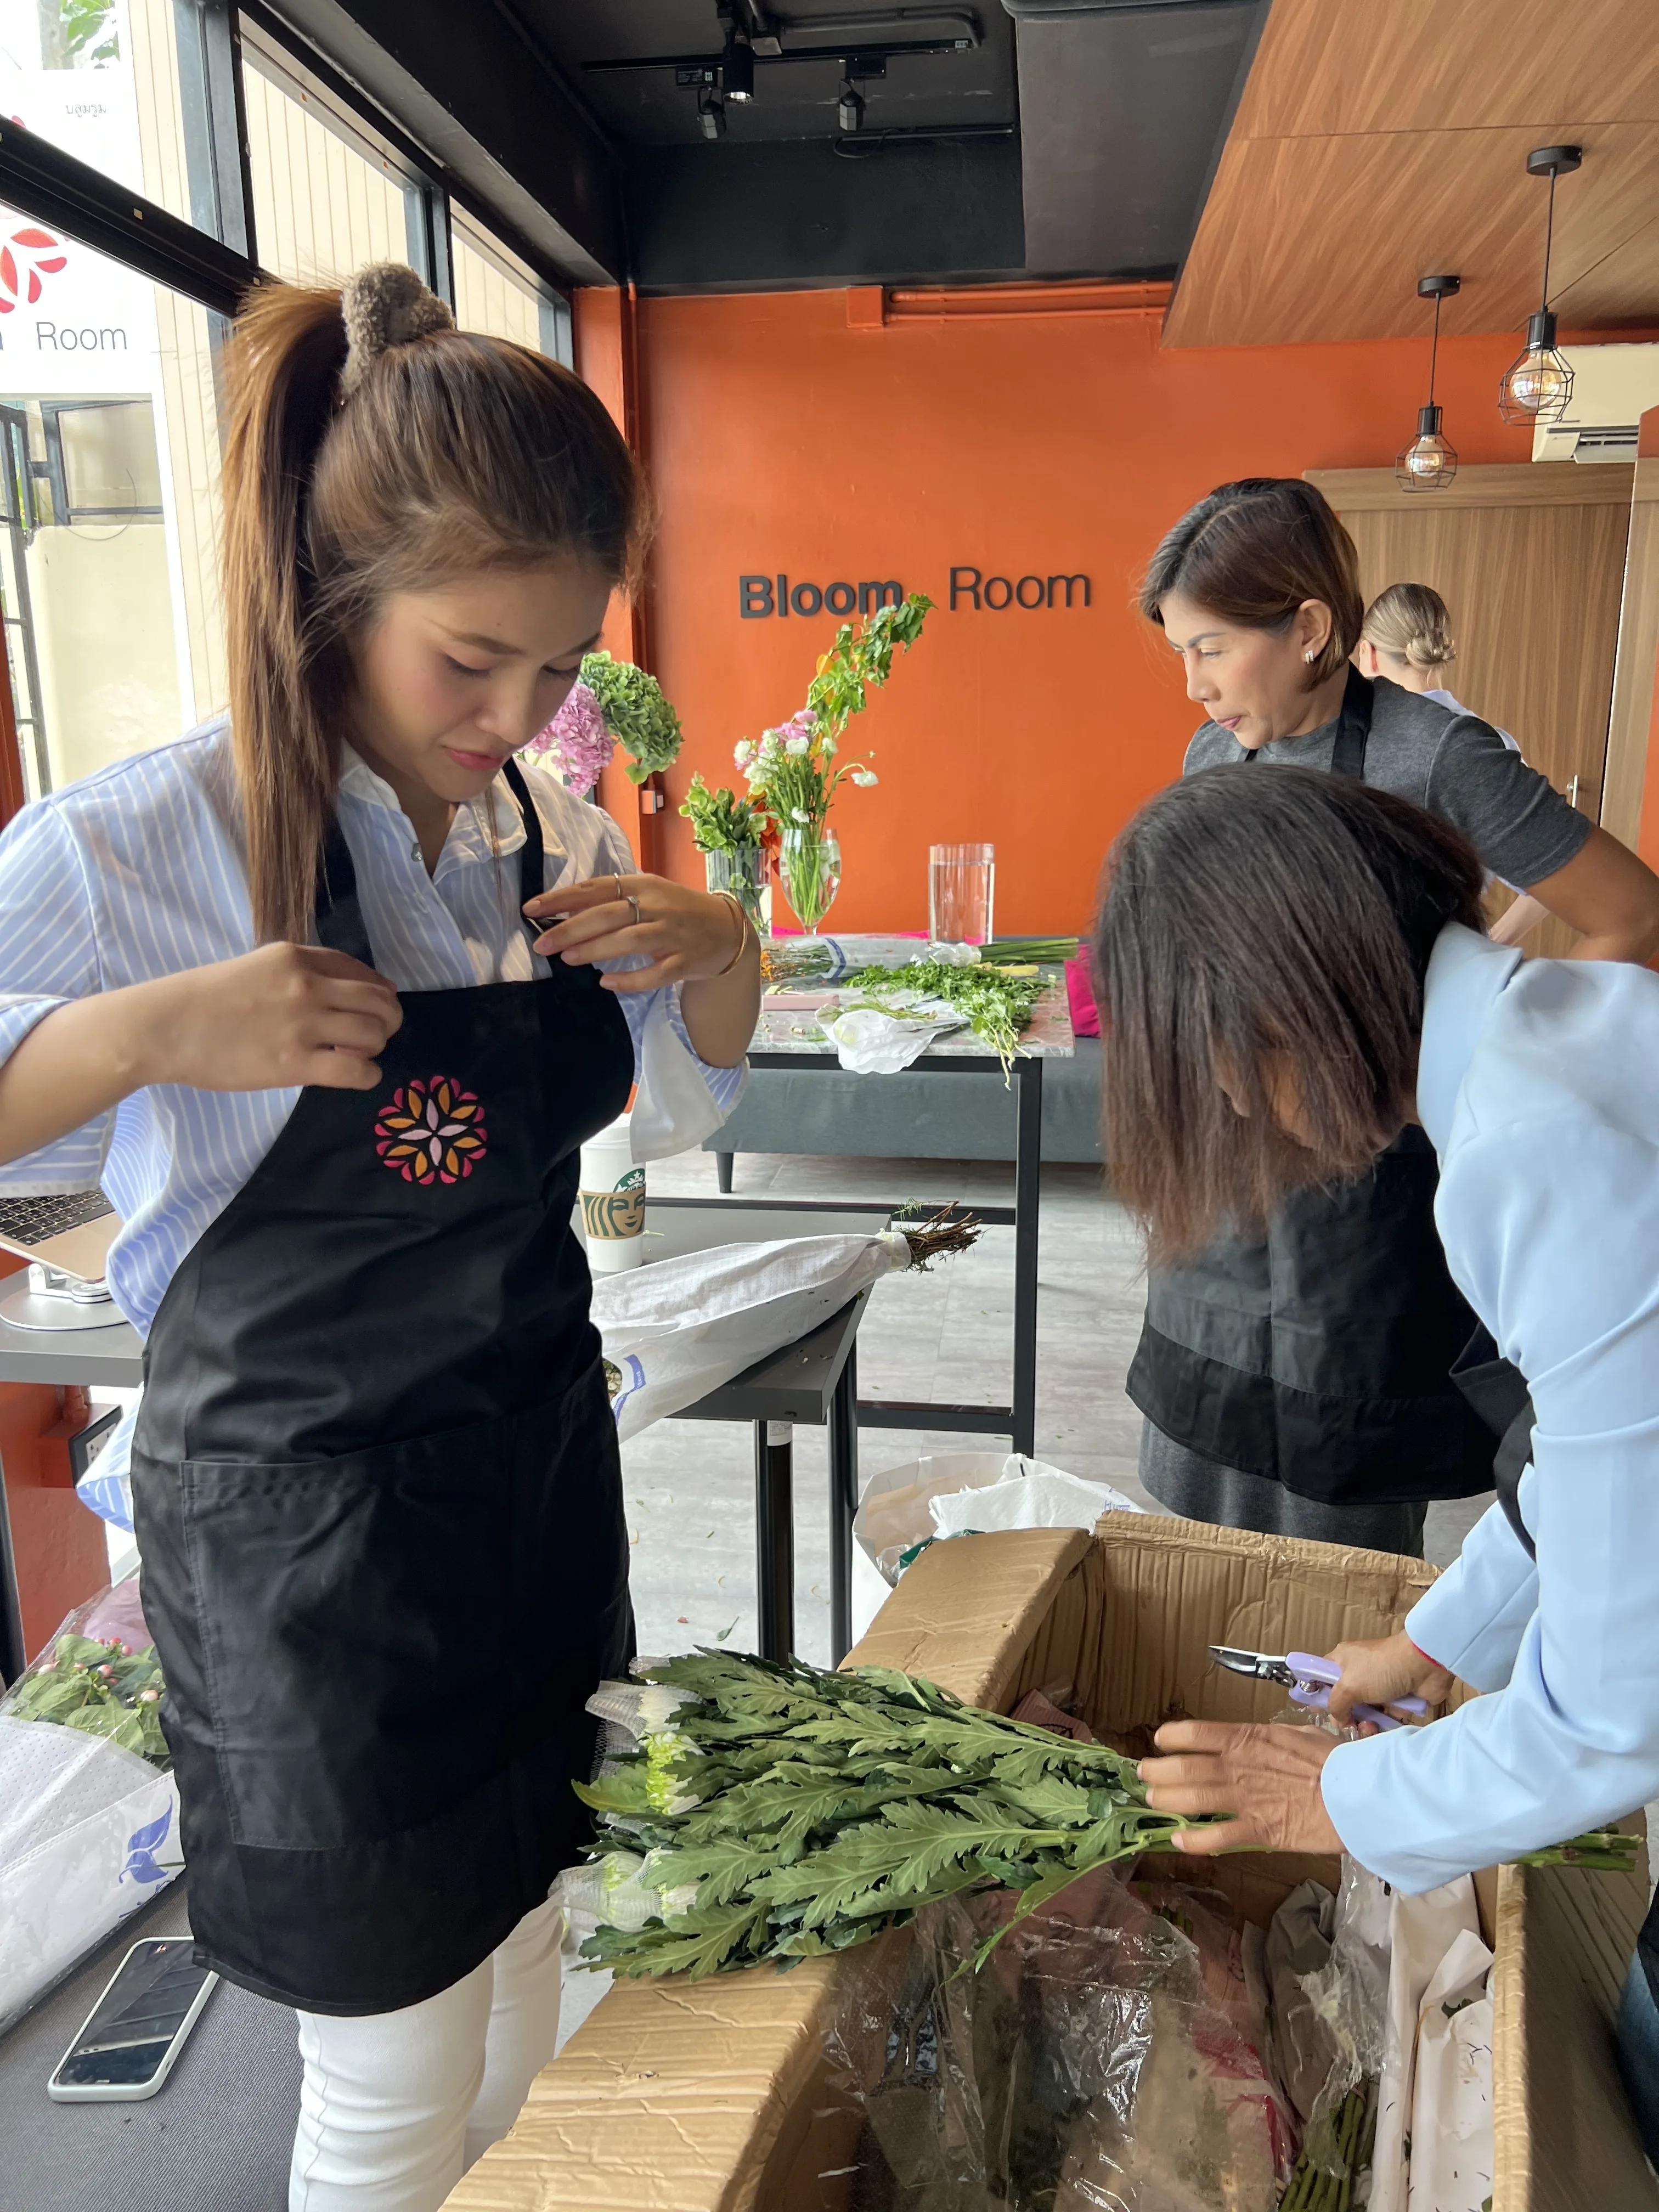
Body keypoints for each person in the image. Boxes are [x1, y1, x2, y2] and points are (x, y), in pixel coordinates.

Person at [0, 264, 761, 2211]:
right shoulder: (135, 845)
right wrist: (153, 1030)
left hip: (526, 1490)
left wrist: (724, 952)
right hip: (313, 1556)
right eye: (467, 662)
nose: (513, 719)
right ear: (337, 594)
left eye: (556, 670)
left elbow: (670, 1104)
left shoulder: (539, 837)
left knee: (528, 1964)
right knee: (395, 2063)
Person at [1092, 765, 1659, 2162]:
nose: (1237, 1107)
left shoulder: (1531, 1148)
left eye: (1211, 1070)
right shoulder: (1564, 1036)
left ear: (1269, 1014)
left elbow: (1610, 1714)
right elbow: (1605, 1468)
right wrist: (1435, 1638)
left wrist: (1330, 1797)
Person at [1128, 478, 1659, 1554]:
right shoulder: (1212, 758)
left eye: (1212, 649)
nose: (1191, 686)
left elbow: (1632, 916)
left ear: (1311, 628)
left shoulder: (1435, 755)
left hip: (1368, 1199)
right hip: (1230, 1183)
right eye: (1180, 653)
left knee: (1340, 1520)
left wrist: (1481, 1088)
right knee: (1198, 1510)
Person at [1356, 579, 1549, 946]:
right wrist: (1490, 945)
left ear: (1369, 654)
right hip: (1455, 958)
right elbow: (1546, 875)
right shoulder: (1493, 742)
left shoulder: (1356, 742)